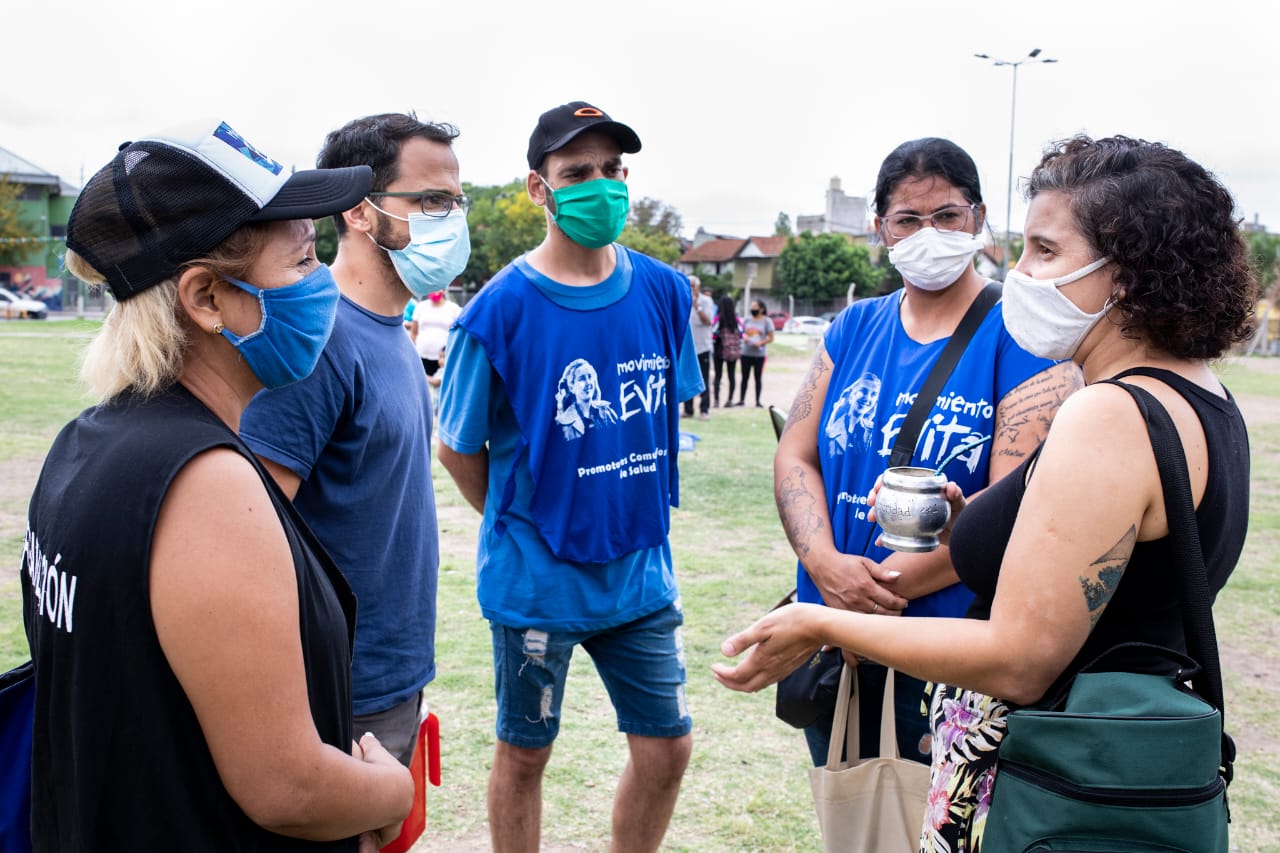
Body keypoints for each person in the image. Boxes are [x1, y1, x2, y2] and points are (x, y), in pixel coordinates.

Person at [715, 134, 1255, 853]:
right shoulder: (1201, 393)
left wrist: (822, 624)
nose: (1020, 272)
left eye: (1045, 251)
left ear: (1123, 272)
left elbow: (1019, 657)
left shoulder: (1108, 414)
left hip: (1066, 784)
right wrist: (979, 523)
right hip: (1111, 768)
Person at [22, 119, 412, 850]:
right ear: (205, 297)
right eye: (300, 262)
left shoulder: (88, 442)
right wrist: (391, 786)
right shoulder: (206, 484)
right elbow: (287, 785)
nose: (322, 283)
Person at [436, 100, 702, 853]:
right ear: (537, 188)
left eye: (613, 171)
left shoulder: (663, 291)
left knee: (667, 748)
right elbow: (457, 447)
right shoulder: (497, 313)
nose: (601, 187)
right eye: (577, 173)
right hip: (537, 585)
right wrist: (522, 521)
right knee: (525, 755)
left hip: (639, 577)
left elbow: (655, 411)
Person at [771, 138, 1082, 772]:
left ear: (979, 217)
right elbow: (795, 454)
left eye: (946, 215)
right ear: (879, 226)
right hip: (837, 645)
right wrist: (826, 566)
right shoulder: (854, 328)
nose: (928, 233)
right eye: (908, 219)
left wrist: (854, 603)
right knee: (852, 825)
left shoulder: (1022, 337)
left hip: (944, 652)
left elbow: (1010, 510)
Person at [241, 112, 469, 767]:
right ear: (361, 213)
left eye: (456, 201)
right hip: (336, 686)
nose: (450, 217)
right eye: (430, 200)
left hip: (393, 671)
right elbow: (252, 531)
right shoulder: (319, 342)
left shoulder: (390, 329)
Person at [683, 274, 714, 420]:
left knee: (704, 379)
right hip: (687, 347)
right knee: (687, 377)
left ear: (698, 287)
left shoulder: (706, 301)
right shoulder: (682, 300)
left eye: (692, 286)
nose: (689, 289)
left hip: (703, 347)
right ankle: (688, 409)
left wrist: (696, 305)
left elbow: (708, 321)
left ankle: (704, 409)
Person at [410, 288, 462, 377]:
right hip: (421, 356)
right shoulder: (421, 307)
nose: (434, 292)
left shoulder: (454, 309)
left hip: (444, 359)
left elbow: (458, 334)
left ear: (444, 290)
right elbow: (414, 332)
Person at [735, 298, 775, 407]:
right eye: (751, 307)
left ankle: (758, 401)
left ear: (761, 309)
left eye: (755, 307)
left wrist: (761, 342)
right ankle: (741, 400)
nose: (752, 309)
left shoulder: (767, 321)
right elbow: (741, 333)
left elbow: (771, 338)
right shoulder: (747, 320)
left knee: (757, 378)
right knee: (744, 377)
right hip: (746, 353)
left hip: (759, 355)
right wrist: (745, 338)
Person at [712, 293, 740, 407]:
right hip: (732, 351)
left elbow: (713, 335)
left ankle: (716, 400)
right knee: (731, 375)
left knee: (718, 375)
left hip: (719, 350)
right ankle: (730, 400)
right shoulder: (736, 320)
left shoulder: (718, 319)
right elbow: (742, 334)